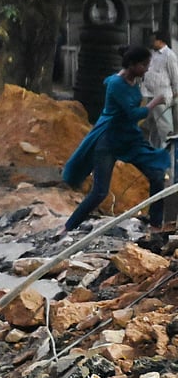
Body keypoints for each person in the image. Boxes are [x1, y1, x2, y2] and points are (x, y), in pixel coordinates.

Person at [62, 45, 169, 235]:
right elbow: (132, 113)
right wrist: (155, 102)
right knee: (100, 192)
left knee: (157, 175)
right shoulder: (115, 85)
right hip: (109, 139)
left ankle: (155, 225)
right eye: (144, 65)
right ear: (133, 65)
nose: (147, 69)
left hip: (130, 138)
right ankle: (68, 227)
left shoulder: (134, 81)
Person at [141, 30, 178, 149]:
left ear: (161, 41)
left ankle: (168, 152)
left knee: (164, 127)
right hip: (149, 94)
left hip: (162, 96)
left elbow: (175, 75)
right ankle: (153, 150)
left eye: (154, 40)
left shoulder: (169, 55)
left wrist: (176, 92)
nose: (152, 42)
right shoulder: (153, 54)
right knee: (150, 126)